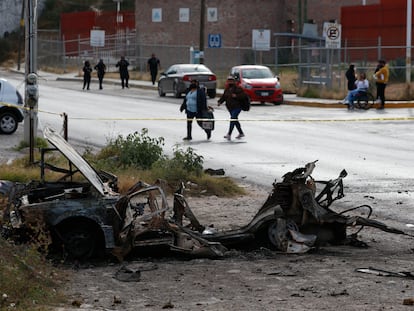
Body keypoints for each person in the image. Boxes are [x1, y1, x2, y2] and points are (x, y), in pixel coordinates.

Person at [217, 76, 246, 140]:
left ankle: (229, 134)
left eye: (231, 81)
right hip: (230, 108)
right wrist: (220, 102)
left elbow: (244, 96)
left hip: (237, 107)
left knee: (233, 119)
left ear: (234, 81)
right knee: (235, 120)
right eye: (229, 81)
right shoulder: (227, 89)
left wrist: (236, 96)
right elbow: (224, 97)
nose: (230, 82)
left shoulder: (238, 88)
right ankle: (241, 133)